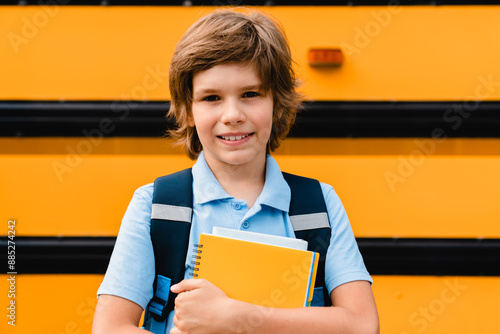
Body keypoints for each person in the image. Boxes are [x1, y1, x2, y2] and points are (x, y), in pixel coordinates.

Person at [92, 8, 379, 334]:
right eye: (211, 97)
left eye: (250, 94)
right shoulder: (156, 206)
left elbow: (361, 324)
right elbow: (110, 327)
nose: (232, 114)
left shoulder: (317, 205)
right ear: (187, 111)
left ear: (277, 103)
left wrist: (238, 317)